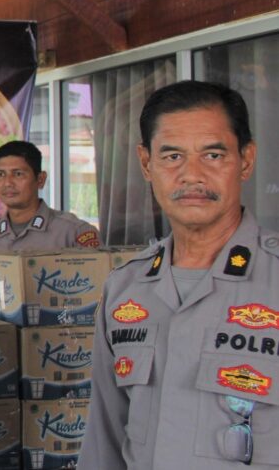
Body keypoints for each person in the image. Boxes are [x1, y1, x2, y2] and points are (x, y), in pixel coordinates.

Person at [82, 81, 277, 469]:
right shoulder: (125, 290)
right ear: (146, 163)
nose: (192, 175)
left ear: (246, 160)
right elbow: (104, 441)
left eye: (213, 155)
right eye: (172, 156)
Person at [0, 140, 100, 314]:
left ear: (40, 180)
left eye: (18, 174)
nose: (8, 183)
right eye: (1, 175)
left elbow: (97, 298)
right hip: (0, 331)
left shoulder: (73, 232)